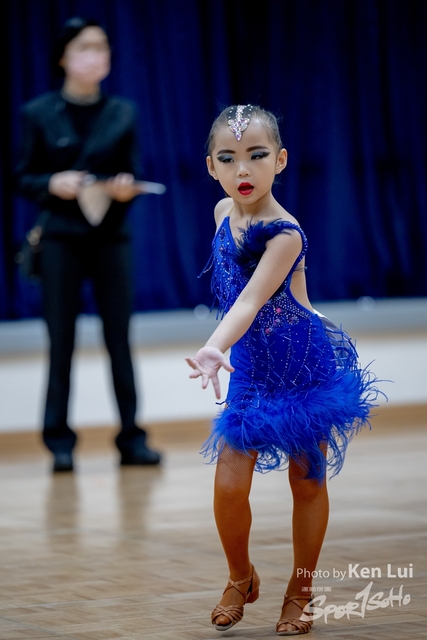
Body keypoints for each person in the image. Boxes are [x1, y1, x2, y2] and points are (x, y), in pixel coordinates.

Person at [186, 105, 379, 635]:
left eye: (257, 155)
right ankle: (240, 576)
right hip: (252, 368)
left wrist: (213, 346)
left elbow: (249, 302)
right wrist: (225, 348)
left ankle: (301, 590)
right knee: (229, 484)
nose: (243, 170)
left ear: (281, 159)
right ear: (211, 166)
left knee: (307, 481)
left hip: (301, 366)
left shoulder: (286, 233)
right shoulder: (222, 212)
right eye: (228, 158)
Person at [16, 17, 161, 472]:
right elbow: (22, 176)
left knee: (119, 338)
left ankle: (131, 438)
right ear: (63, 57)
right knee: (61, 342)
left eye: (101, 47)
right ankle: (59, 443)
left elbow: (135, 171)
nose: (95, 56)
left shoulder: (123, 111)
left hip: (111, 238)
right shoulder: (38, 112)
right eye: (84, 47)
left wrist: (124, 187)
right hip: (61, 239)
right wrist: (51, 182)